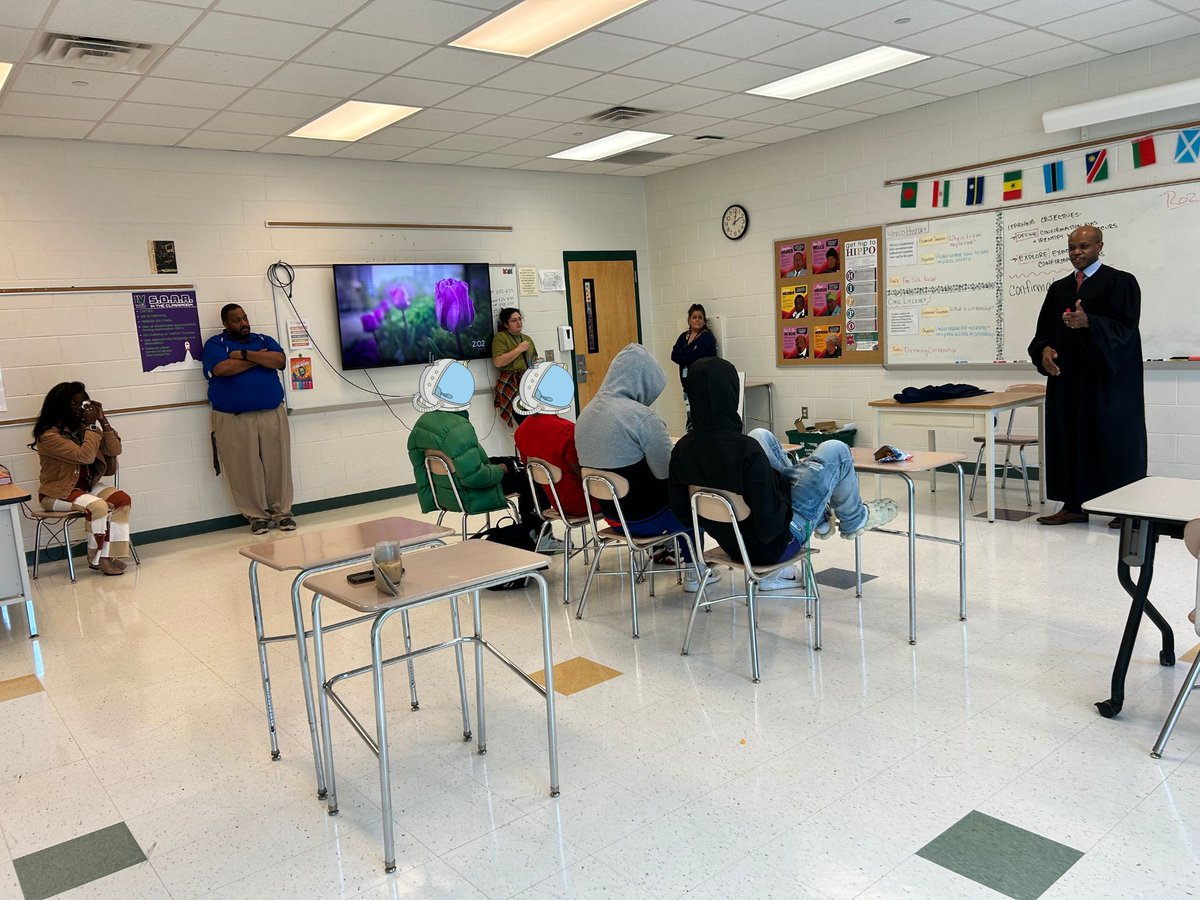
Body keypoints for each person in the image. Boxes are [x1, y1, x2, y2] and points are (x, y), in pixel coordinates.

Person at [670, 358, 898, 584]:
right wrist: (786, 492)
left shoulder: (682, 449)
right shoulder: (745, 451)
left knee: (760, 435)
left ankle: (821, 508)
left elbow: (682, 513)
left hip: (733, 546)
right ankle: (853, 518)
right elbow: (770, 524)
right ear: (732, 393)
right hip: (777, 545)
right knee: (836, 450)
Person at [1028, 225, 1146, 526]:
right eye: (1071, 247)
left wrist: (1089, 322)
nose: (1076, 253)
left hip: (1109, 381)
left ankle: (1125, 508)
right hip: (1068, 380)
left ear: (1099, 247)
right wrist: (1044, 351)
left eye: (1083, 246)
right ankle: (1074, 505)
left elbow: (1126, 330)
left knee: (1113, 439)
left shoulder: (1121, 282)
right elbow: (1043, 334)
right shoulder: (1059, 288)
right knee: (1069, 438)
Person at [575, 343, 713, 592]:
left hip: (611, 517)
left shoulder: (584, 415)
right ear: (642, 382)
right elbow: (667, 472)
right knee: (692, 500)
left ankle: (671, 550)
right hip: (644, 519)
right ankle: (695, 570)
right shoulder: (641, 418)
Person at [407, 359, 557, 550]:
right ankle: (538, 534)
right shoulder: (458, 429)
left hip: (445, 493)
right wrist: (501, 469)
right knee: (529, 478)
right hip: (471, 493)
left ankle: (533, 530)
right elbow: (476, 478)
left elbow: (424, 467)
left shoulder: (423, 423)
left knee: (508, 462)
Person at [202, 303, 295, 535]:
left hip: (272, 413)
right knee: (243, 468)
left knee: (279, 464)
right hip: (234, 418)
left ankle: (282, 513)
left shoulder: (263, 339)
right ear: (226, 323)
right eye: (236, 320)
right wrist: (259, 359)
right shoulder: (216, 344)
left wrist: (244, 355)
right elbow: (222, 369)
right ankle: (257, 517)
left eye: (244, 317)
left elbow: (280, 361)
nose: (243, 323)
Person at [29, 382, 131, 576]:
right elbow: (85, 456)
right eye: (74, 404)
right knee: (98, 506)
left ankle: (110, 554)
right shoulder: (48, 436)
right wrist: (92, 426)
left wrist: (103, 420)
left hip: (85, 489)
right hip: (57, 494)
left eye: (83, 403)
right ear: (60, 406)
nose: (80, 408)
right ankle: (98, 559)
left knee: (122, 499)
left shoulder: (84, 430)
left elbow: (115, 450)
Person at [513, 362, 596, 519]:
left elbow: (528, 471)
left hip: (557, 502)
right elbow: (584, 474)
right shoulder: (566, 430)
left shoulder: (521, 431)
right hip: (583, 503)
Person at [670, 303, 718, 432]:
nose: (697, 320)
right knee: (690, 415)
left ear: (704, 320)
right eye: (694, 317)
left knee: (701, 417)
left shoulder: (707, 337)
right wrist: (689, 355)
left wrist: (685, 355)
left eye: (700, 317)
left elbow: (696, 357)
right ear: (689, 320)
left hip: (703, 385)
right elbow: (674, 355)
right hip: (687, 385)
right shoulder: (683, 336)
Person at [491, 307, 537, 428]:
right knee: (526, 424)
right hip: (512, 384)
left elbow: (533, 360)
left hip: (527, 383)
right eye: (514, 320)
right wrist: (519, 349)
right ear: (506, 324)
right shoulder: (501, 338)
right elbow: (498, 362)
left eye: (520, 319)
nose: (519, 323)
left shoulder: (527, 339)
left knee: (537, 422)